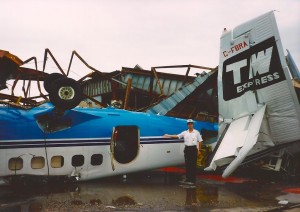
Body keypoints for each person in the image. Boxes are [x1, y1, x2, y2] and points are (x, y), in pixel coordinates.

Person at [164, 119, 202, 185]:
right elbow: (177, 136)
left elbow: (200, 141)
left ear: (193, 125)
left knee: (193, 165)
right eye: (189, 124)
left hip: (193, 149)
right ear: (187, 125)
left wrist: (199, 150)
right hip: (187, 149)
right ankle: (188, 179)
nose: (190, 125)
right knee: (187, 165)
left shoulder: (196, 132)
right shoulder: (185, 132)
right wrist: (168, 135)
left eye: (191, 124)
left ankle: (192, 180)